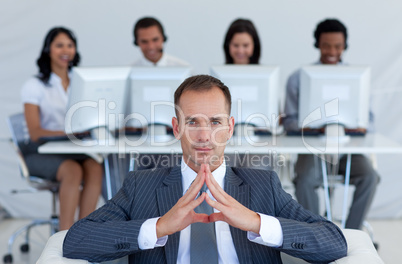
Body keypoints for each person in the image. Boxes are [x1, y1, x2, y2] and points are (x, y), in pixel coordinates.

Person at [63, 75, 347, 263]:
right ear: (176, 128)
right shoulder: (140, 186)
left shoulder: (263, 185)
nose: (203, 136)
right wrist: (159, 227)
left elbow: (333, 241)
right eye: (192, 122)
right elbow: (75, 240)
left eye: (214, 122)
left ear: (230, 128)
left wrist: (255, 222)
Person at [283, 18, 380, 230]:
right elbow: (289, 122)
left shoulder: (358, 79)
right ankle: (317, 233)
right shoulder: (298, 78)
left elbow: (369, 123)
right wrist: (315, 127)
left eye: (338, 46)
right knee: (305, 180)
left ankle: (352, 233)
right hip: (312, 150)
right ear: (317, 44)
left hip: (347, 151)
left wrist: (351, 128)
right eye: (326, 45)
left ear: (345, 46)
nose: (332, 51)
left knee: (370, 177)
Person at [21, 27, 103, 230]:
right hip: (39, 150)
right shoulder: (35, 86)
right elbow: (35, 132)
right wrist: (69, 134)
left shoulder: (80, 82)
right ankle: (63, 237)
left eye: (70, 45)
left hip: (71, 148)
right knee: (73, 171)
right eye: (59, 45)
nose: (65, 50)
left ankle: (84, 232)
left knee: (95, 167)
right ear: (48, 49)